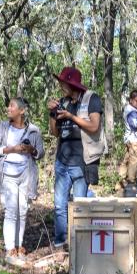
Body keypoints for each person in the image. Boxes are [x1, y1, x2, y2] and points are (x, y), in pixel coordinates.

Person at [47, 67, 106, 248]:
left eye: (63, 83)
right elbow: (55, 132)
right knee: (59, 205)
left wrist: (71, 116)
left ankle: (78, 245)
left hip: (82, 161)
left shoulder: (91, 99)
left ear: (72, 84)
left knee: (80, 206)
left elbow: (94, 126)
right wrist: (52, 114)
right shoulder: (63, 102)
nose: (60, 86)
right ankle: (60, 243)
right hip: (62, 161)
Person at [0, 97, 44, 267]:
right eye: (9, 105)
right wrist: (11, 149)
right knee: (11, 211)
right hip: (7, 174)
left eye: (12, 106)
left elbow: (40, 154)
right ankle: (10, 250)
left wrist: (31, 149)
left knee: (23, 211)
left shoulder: (33, 131)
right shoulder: (2, 127)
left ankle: (19, 247)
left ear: (22, 111)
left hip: (25, 175)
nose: (8, 108)